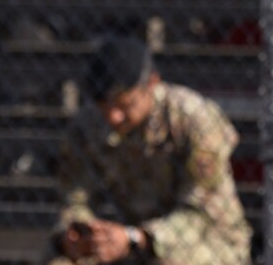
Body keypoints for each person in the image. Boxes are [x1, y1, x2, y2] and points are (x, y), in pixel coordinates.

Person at [47, 37, 252, 265]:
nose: (114, 117)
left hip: (208, 242)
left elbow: (200, 213)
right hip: (127, 244)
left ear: (152, 83)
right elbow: (74, 196)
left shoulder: (193, 118)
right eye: (105, 108)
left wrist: (137, 238)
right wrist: (76, 234)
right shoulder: (88, 125)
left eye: (125, 105)